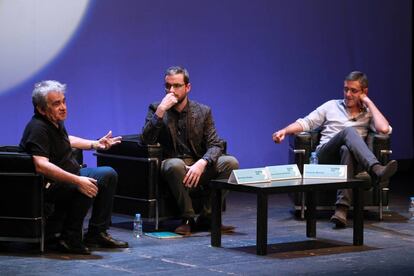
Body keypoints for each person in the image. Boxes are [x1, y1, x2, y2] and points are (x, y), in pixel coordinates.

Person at [272, 71, 398, 228]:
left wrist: (369, 103)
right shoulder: (331, 106)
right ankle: (376, 169)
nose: (348, 94)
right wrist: (284, 131)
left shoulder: (368, 115)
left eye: (354, 90)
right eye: (346, 89)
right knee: (349, 131)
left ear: (364, 92)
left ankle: (341, 211)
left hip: (352, 160)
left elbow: (384, 129)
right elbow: (306, 123)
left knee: (347, 150)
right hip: (325, 156)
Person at [20, 80, 128, 254]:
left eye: (63, 101)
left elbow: (67, 139)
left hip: (69, 175)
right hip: (49, 186)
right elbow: (41, 165)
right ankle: (69, 238)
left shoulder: (54, 122)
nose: (63, 107)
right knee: (87, 183)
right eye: (56, 104)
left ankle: (97, 232)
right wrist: (78, 180)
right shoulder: (37, 128)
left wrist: (95, 144)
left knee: (108, 174)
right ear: (41, 109)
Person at [141, 66, 239, 236]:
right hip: (172, 164)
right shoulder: (156, 108)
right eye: (168, 86)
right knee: (175, 165)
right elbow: (146, 140)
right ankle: (187, 218)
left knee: (231, 163)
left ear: (188, 87)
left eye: (177, 86)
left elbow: (215, 144)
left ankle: (207, 217)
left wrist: (202, 162)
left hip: (198, 164)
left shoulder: (203, 111)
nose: (171, 91)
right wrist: (160, 111)